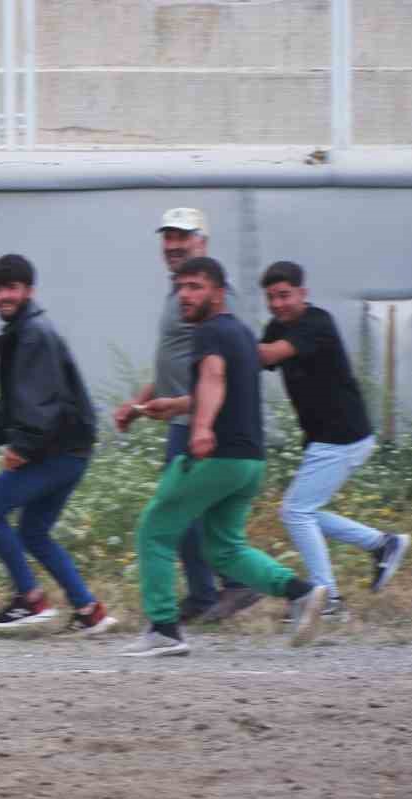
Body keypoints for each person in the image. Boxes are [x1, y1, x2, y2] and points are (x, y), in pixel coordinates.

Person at [122, 257, 328, 657]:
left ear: (218, 292)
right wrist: (178, 405)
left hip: (215, 456)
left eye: (196, 286)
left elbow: (214, 377)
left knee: (155, 529)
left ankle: (164, 629)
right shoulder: (240, 334)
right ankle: (301, 593)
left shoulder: (209, 333)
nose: (186, 295)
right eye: (181, 287)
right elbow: (222, 389)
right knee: (224, 548)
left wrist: (200, 428)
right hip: (248, 461)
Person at [113, 207, 260, 623]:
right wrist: (138, 404)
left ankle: (221, 589)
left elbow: (218, 368)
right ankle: (213, 591)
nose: (173, 245)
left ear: (203, 242)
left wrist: (202, 424)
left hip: (197, 422)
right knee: (193, 513)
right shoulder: (180, 291)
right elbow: (173, 363)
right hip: (181, 417)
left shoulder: (210, 296)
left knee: (174, 511)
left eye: (183, 237)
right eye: (168, 237)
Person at [0, 255, 115, 635]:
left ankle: (30, 600)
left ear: (29, 291)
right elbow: (14, 403)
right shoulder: (22, 331)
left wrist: (22, 448)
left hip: (55, 451)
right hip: (70, 451)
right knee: (34, 531)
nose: (3, 296)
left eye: (11, 288)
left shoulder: (32, 335)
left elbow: (40, 404)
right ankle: (89, 611)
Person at [258, 260, 411, 620]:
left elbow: (267, 355)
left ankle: (326, 597)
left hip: (343, 436)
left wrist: (223, 342)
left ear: (302, 293)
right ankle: (381, 544)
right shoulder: (275, 327)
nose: (278, 304)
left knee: (296, 511)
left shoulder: (317, 323)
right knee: (302, 511)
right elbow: (253, 364)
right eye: (271, 298)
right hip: (326, 439)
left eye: (285, 295)